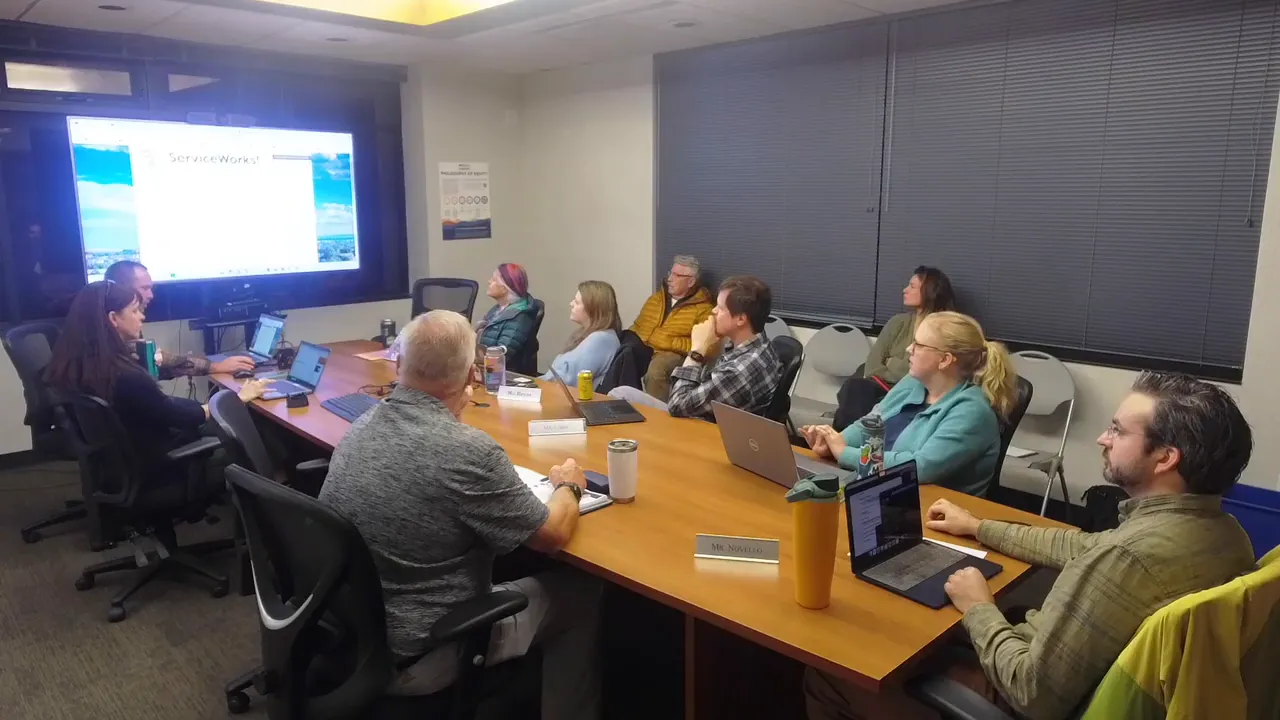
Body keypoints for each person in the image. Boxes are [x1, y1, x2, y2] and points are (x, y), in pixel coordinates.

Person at [805, 371, 1257, 720]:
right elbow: (1082, 546)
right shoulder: (1224, 533)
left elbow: (1031, 694)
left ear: (1165, 457)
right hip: (1088, 674)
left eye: (1118, 431)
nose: (1102, 438)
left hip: (1016, 696)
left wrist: (978, 607)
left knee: (830, 674)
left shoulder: (1128, 559)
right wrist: (978, 527)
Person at [318, 310, 601, 720]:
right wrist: (568, 486)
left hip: (352, 632)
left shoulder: (363, 422)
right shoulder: (468, 452)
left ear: (399, 365)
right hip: (426, 650)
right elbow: (553, 534)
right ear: (472, 375)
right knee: (582, 593)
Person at [43, 281, 268, 476]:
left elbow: (161, 406)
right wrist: (238, 398)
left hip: (120, 464)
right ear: (113, 318)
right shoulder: (126, 376)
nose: (142, 316)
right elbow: (182, 416)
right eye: (134, 311)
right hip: (159, 465)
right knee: (255, 435)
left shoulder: (72, 364)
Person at [801, 312, 1015, 497]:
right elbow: (870, 423)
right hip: (885, 491)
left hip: (933, 510)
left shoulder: (972, 411)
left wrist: (844, 453)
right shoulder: (914, 383)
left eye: (919, 345)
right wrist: (834, 441)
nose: (908, 349)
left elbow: (919, 467)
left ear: (945, 360)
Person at [611, 275, 781, 421]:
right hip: (700, 413)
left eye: (720, 308)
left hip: (699, 428)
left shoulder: (738, 371)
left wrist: (696, 351)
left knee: (620, 395)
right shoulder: (761, 345)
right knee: (623, 393)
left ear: (741, 319)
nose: (713, 311)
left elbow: (677, 405)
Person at [833, 267, 956, 431]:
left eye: (912, 286)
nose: (904, 290)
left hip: (918, 391)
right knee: (855, 387)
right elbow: (872, 367)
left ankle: (847, 441)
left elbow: (930, 374)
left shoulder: (946, 328)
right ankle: (842, 439)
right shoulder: (897, 322)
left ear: (929, 291)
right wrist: (901, 367)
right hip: (884, 388)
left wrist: (892, 364)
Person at [104, 260, 256, 378]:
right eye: (144, 288)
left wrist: (214, 367)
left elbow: (159, 363)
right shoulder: (110, 336)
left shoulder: (111, 327)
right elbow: (159, 361)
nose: (151, 295)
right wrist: (215, 367)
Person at [627, 255, 714, 401]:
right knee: (621, 355)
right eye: (670, 273)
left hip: (672, 354)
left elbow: (705, 346)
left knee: (656, 371)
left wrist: (670, 342)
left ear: (691, 281)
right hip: (644, 347)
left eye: (677, 275)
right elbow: (637, 326)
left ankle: (658, 412)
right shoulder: (655, 299)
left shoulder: (704, 309)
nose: (670, 279)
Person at [540, 280, 621, 389]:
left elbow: (569, 381)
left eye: (577, 302)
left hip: (557, 393)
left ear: (593, 309)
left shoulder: (600, 340)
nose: (571, 304)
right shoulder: (589, 334)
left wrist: (535, 384)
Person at [476, 263, 539, 361]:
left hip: (498, 369)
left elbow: (501, 357)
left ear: (505, 288)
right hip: (483, 363)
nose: (489, 281)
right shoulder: (499, 309)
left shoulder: (519, 318)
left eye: (494, 279)